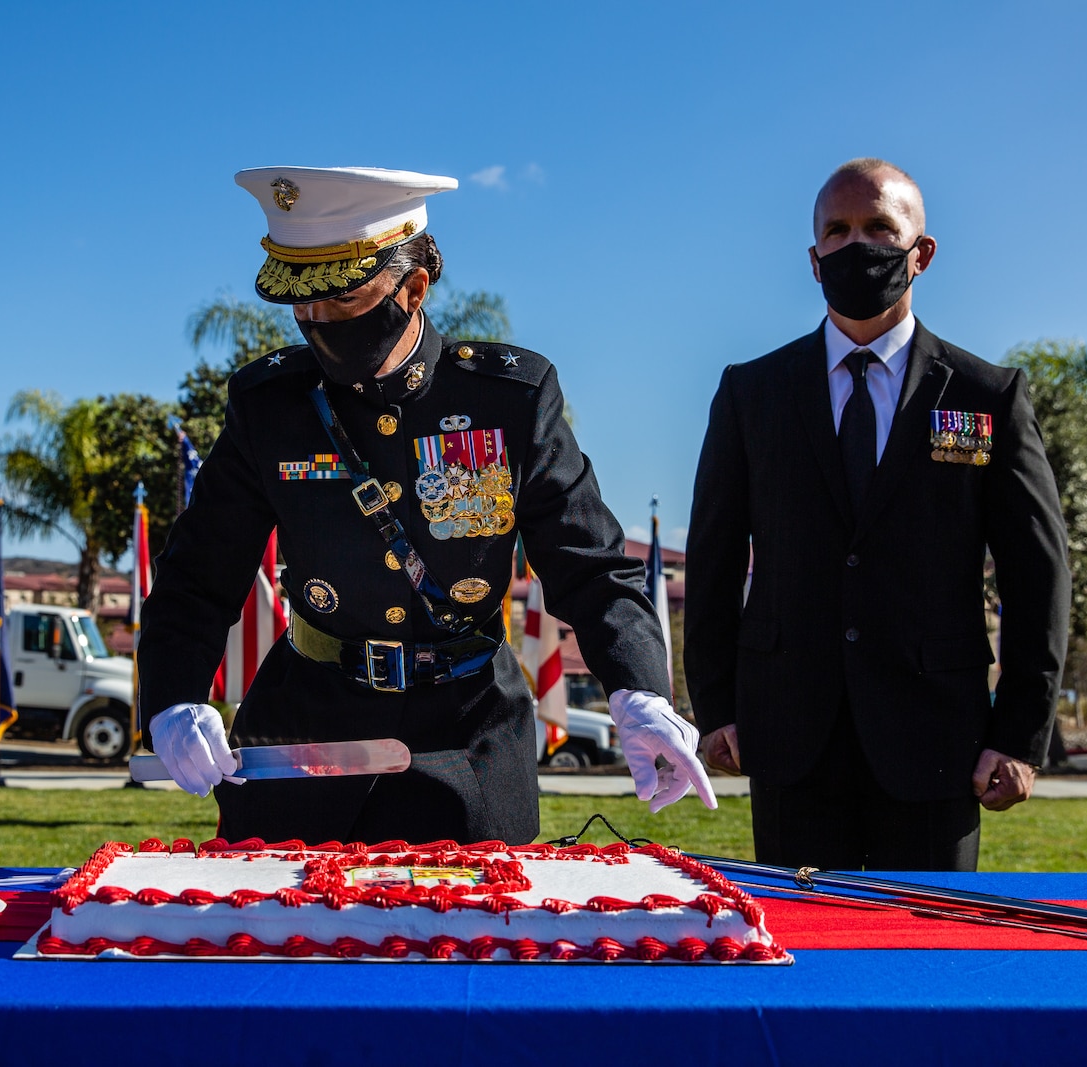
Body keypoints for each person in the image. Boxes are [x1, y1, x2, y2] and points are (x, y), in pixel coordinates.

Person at [139, 166, 714, 845]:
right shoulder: (270, 407)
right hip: (307, 735)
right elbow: (199, 574)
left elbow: (589, 562)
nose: (317, 323)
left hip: (465, 740)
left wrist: (638, 688)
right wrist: (174, 697)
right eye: (302, 304)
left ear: (413, 287)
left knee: (472, 943)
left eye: (342, 300)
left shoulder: (509, 399)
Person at [684, 158, 1070, 871]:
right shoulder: (750, 394)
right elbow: (711, 562)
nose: (856, 244)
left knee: (926, 961)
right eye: (838, 230)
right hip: (789, 736)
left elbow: (1038, 576)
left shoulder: (988, 396)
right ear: (813, 258)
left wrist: (1019, 735)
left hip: (936, 739)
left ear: (920, 253)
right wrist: (716, 706)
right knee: (801, 956)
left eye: (879, 228)